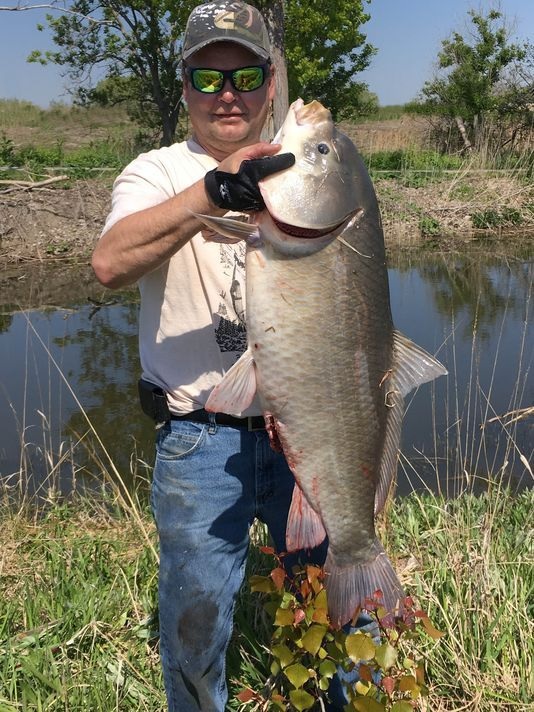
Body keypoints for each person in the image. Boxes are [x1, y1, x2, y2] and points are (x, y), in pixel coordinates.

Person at [92, 2, 373, 709]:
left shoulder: (295, 169)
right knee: (193, 628)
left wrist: (309, 153)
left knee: (341, 625)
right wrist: (209, 195)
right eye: (208, 77)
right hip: (198, 440)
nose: (228, 93)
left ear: (271, 81)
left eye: (246, 74)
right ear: (183, 83)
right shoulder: (153, 173)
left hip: (306, 437)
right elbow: (108, 264)